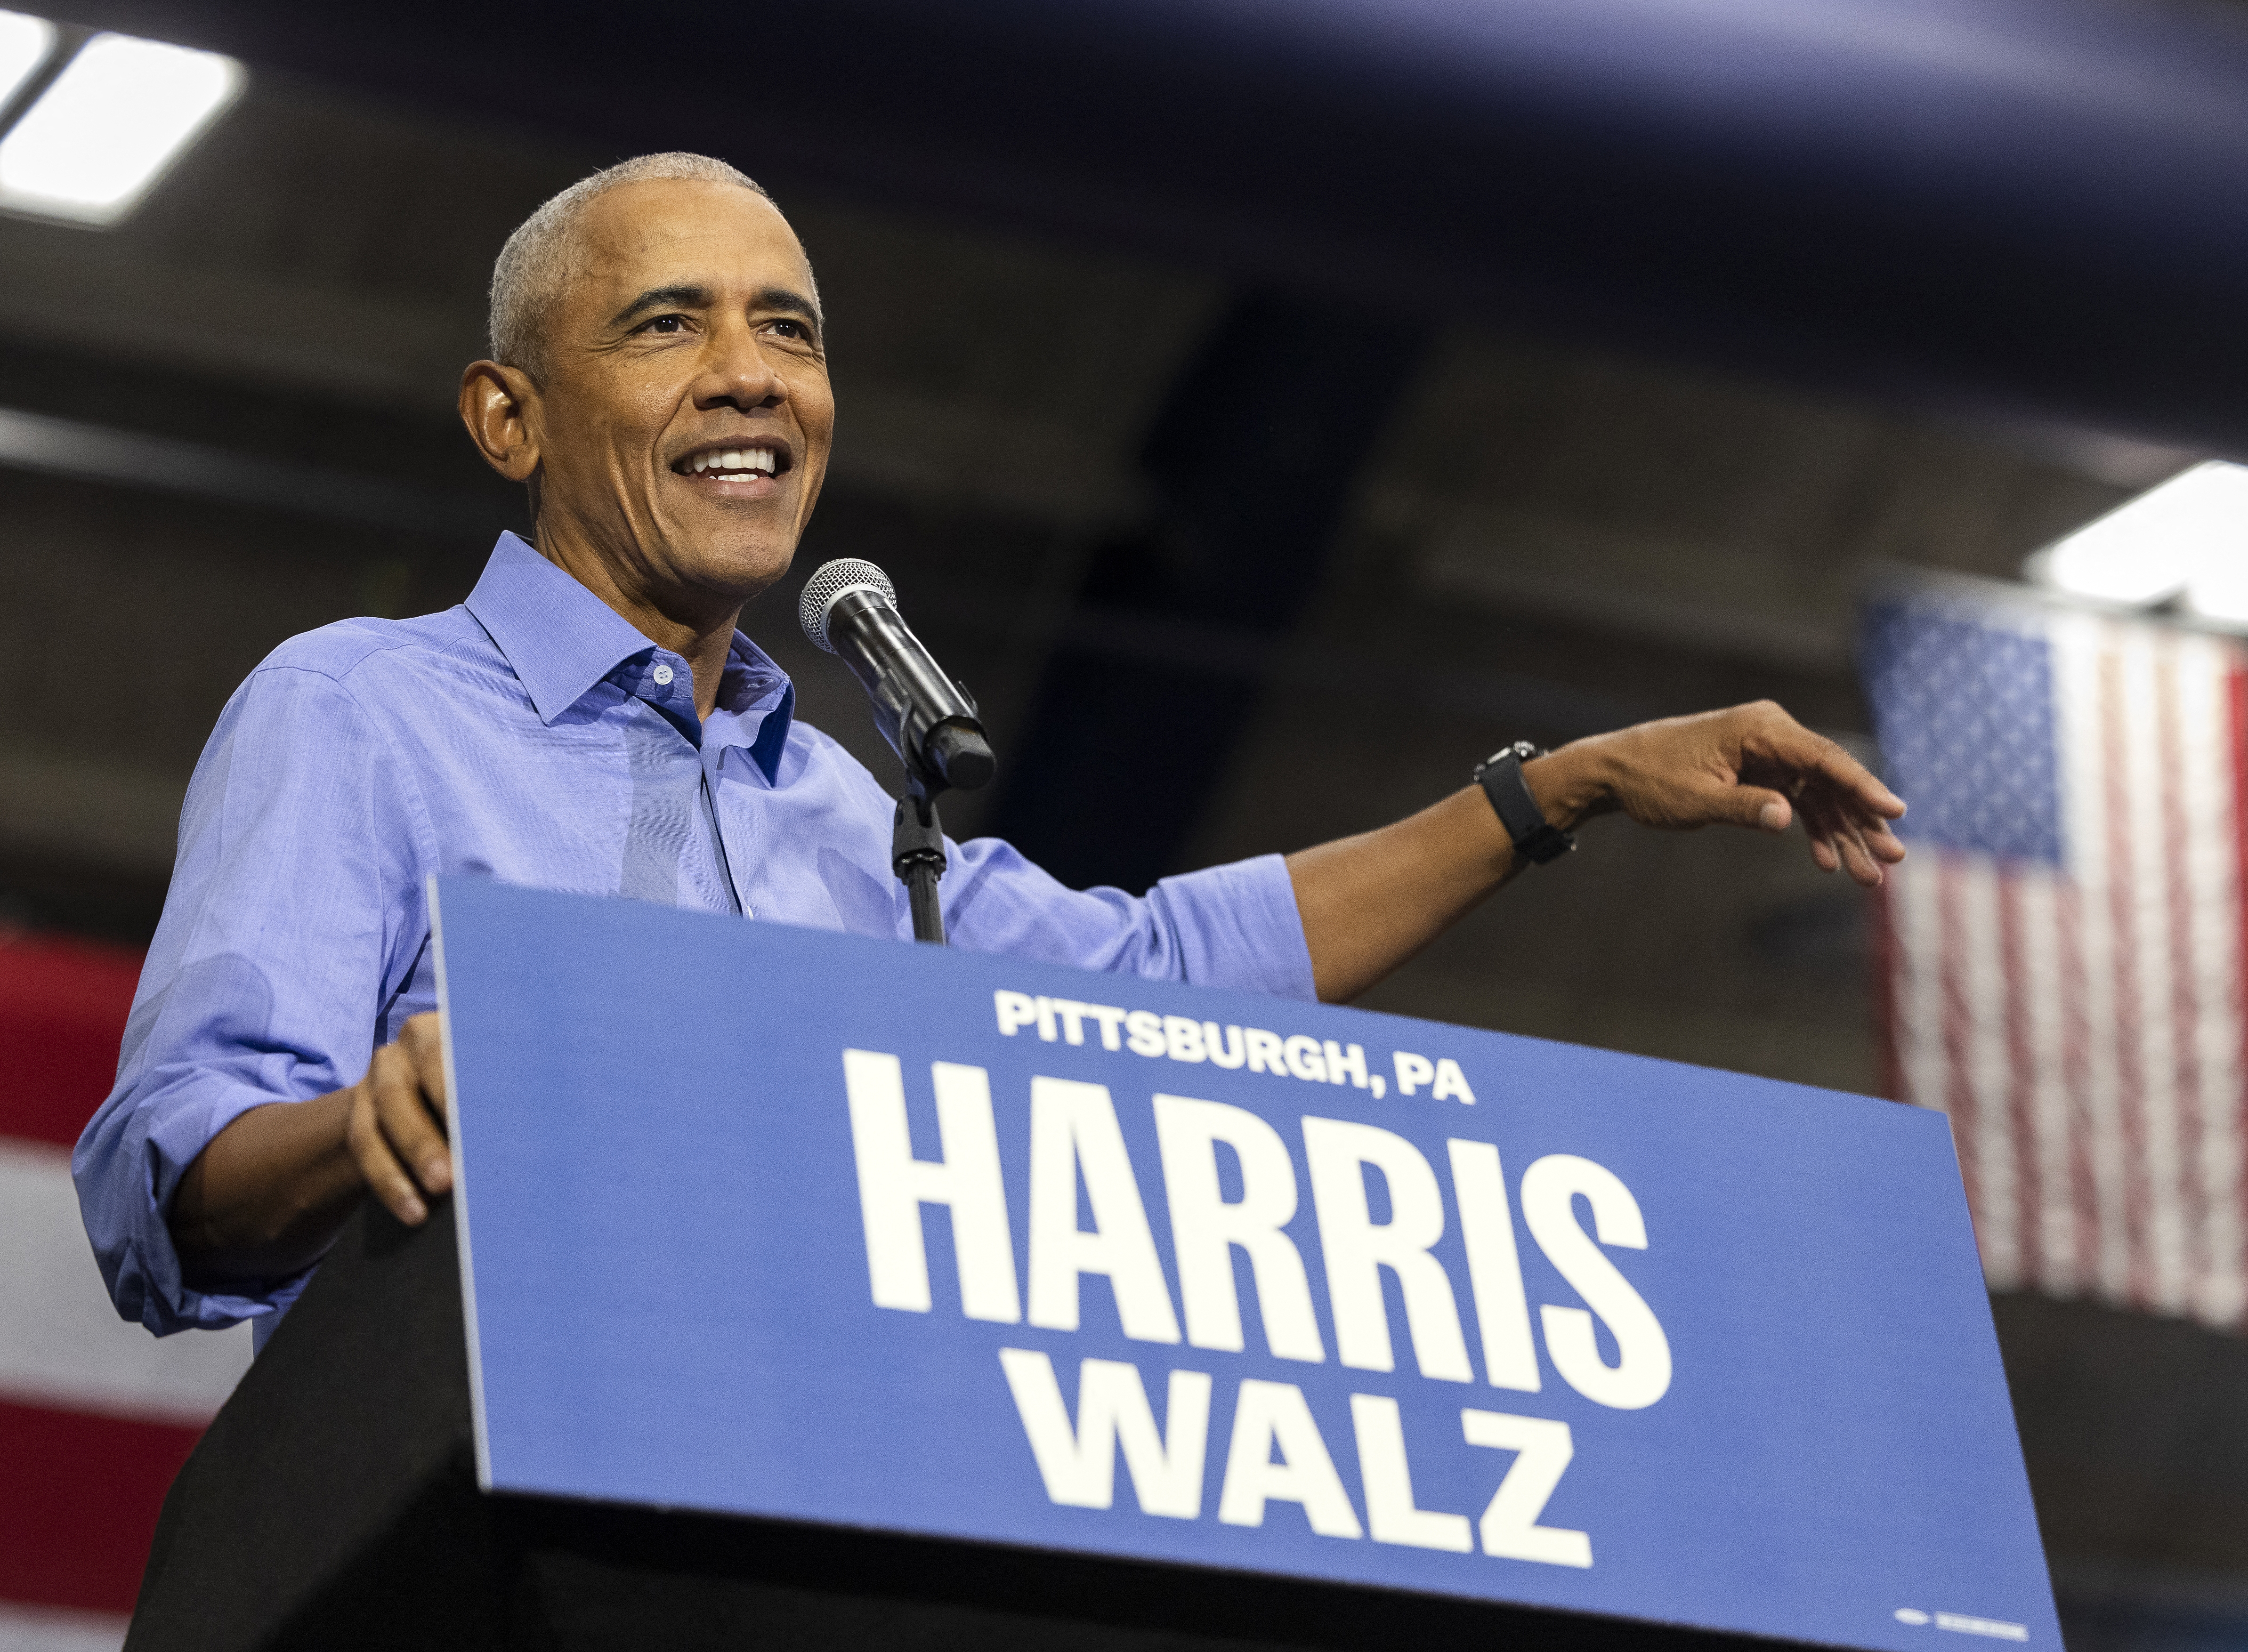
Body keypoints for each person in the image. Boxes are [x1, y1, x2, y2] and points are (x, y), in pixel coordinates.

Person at [74, 153, 1906, 1344]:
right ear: (509, 416)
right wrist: (365, 1129)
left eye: (789, 331)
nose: (751, 373)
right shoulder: (360, 709)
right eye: (667, 325)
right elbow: (168, 1177)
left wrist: (1554, 788)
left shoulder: (845, 817)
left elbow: (1159, 975)